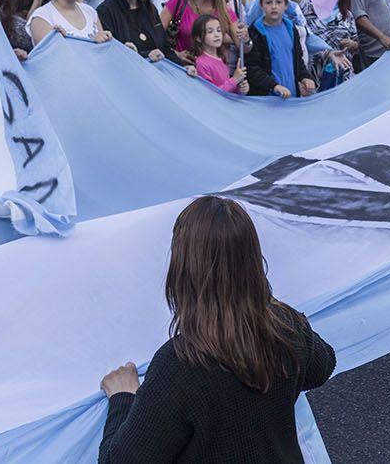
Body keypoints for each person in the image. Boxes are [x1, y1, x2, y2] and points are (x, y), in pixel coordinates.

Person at [97, 196, 336, 463]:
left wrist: (123, 397)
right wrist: (263, 303)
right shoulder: (287, 329)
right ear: (254, 262)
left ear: (183, 272)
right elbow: (322, 367)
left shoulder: (179, 366)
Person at [244, 0, 313, 98]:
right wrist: (274, 86)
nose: (273, 6)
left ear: (286, 5)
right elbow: (252, 68)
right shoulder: (255, 32)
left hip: (291, 96)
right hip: (267, 99)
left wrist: (305, 77)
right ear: (261, 6)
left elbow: (298, 60)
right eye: (268, 2)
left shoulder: (291, 28)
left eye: (278, 2)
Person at [189, 14, 248, 94]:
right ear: (198, 38)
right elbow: (211, 94)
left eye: (219, 30)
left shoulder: (221, 58)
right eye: (210, 32)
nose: (216, 35)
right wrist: (234, 80)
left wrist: (239, 89)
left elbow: (227, 90)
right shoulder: (201, 63)